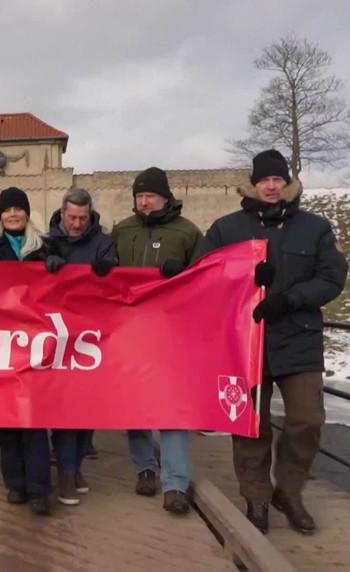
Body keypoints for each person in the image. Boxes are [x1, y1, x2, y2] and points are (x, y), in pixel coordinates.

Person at [195, 150, 347, 534]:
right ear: (254, 183)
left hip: (299, 340)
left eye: (278, 179)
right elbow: (203, 275)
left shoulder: (315, 228)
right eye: (265, 180)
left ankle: (290, 492)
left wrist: (291, 299)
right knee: (250, 426)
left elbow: (332, 277)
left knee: (307, 420)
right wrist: (244, 278)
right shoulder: (227, 229)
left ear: (287, 183)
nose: (272, 186)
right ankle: (257, 499)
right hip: (247, 343)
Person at [110, 166, 204, 515]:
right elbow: (107, 270)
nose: (144, 201)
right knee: (137, 406)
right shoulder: (123, 230)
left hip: (172, 334)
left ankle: (176, 483)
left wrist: (182, 274)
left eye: (150, 195)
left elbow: (205, 276)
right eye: (139, 196)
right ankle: (144, 467)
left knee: (172, 407)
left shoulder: (187, 232)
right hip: (132, 332)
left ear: (165, 196)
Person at [0, 186, 64, 516]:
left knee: (34, 421)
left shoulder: (44, 246)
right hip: (1, 345)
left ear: (25, 212)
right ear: (1, 214)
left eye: (17, 209)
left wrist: (58, 268)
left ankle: (39, 488)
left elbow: (63, 291)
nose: (12, 215)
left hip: (36, 346)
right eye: (6, 210)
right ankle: (15, 483)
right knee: (7, 420)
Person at [45, 187, 117, 506]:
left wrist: (108, 270)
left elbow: (118, 284)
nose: (76, 224)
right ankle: (66, 473)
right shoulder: (48, 242)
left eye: (82, 218)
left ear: (91, 215)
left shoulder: (103, 243)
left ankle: (75, 467)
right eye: (72, 218)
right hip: (57, 336)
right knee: (64, 411)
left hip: (92, 336)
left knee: (87, 410)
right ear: (62, 214)